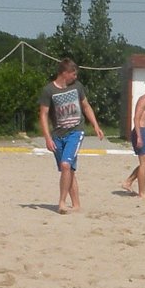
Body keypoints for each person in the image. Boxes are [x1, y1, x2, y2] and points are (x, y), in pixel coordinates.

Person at [37, 58, 105, 213]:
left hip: (75, 132)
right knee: (68, 170)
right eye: (73, 74)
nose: (75, 77)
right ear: (64, 73)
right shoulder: (48, 90)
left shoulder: (77, 86)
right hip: (57, 135)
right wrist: (47, 138)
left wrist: (95, 125)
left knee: (66, 165)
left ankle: (61, 202)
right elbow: (43, 115)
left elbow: (86, 106)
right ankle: (76, 205)